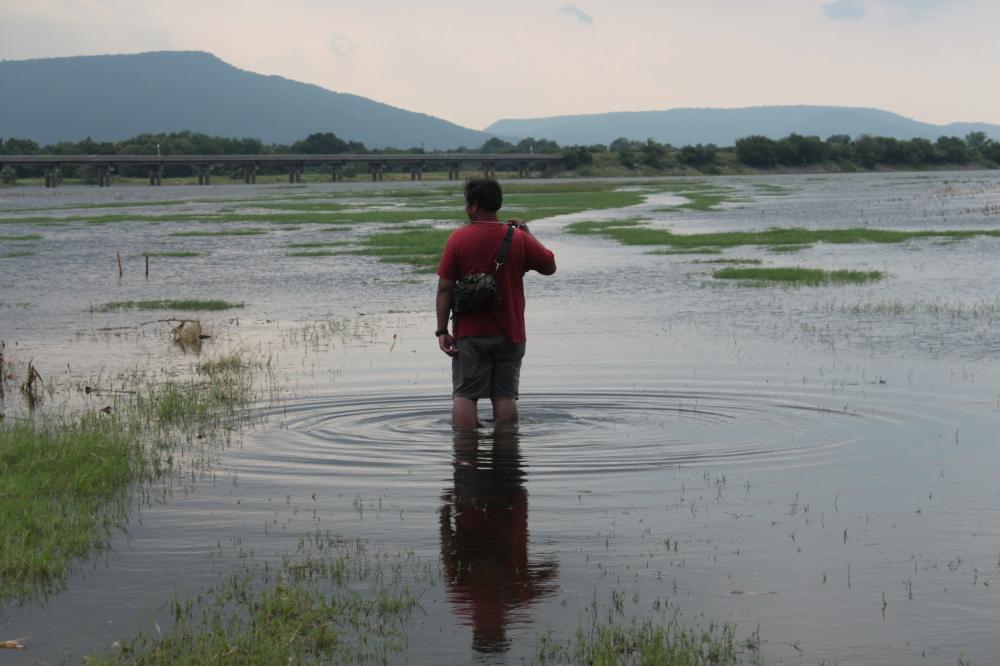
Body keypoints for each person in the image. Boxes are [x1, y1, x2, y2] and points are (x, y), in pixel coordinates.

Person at [435, 178, 556, 430]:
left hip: (470, 333)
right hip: (510, 332)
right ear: (497, 204)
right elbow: (549, 267)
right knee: (505, 395)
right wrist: (528, 233)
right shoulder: (518, 237)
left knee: (466, 393)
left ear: (474, 206)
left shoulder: (458, 239)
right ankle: (507, 454)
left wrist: (442, 331)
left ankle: (466, 456)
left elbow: (445, 288)